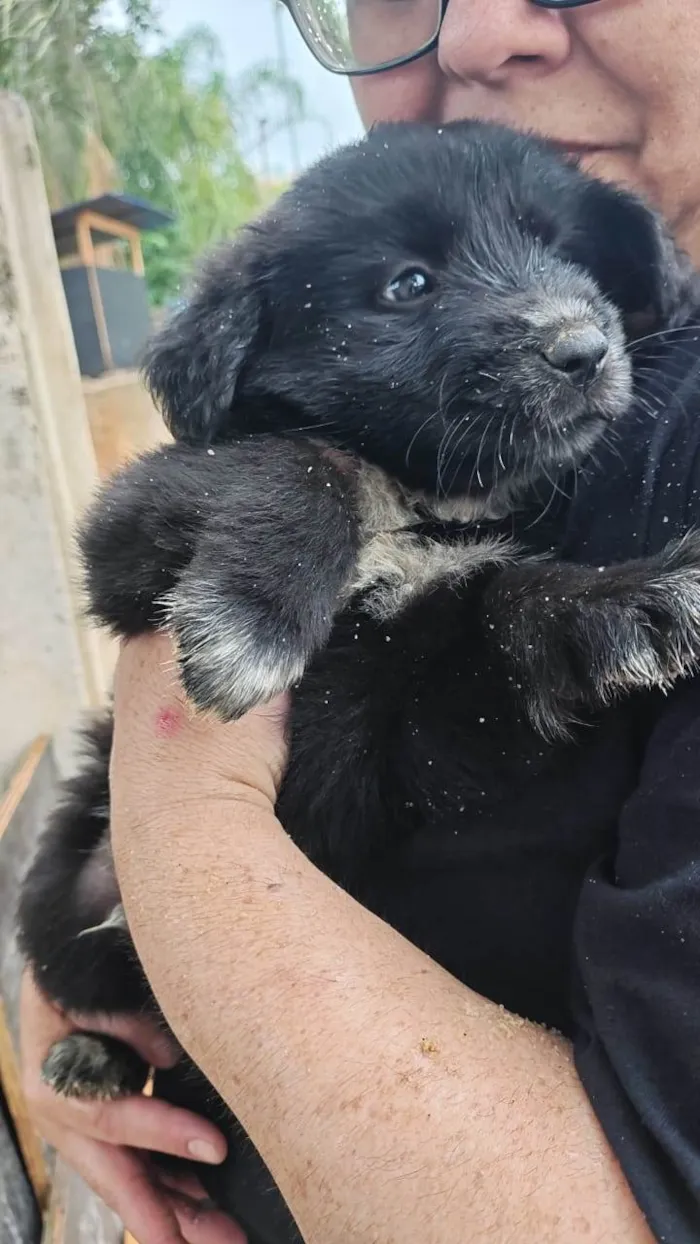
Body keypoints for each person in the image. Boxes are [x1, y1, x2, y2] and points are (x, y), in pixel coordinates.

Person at [20, 2, 700, 1241]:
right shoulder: (289, 437)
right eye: (407, 282)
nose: (563, 321)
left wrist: (193, 852)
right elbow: (145, 540)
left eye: (557, 254)